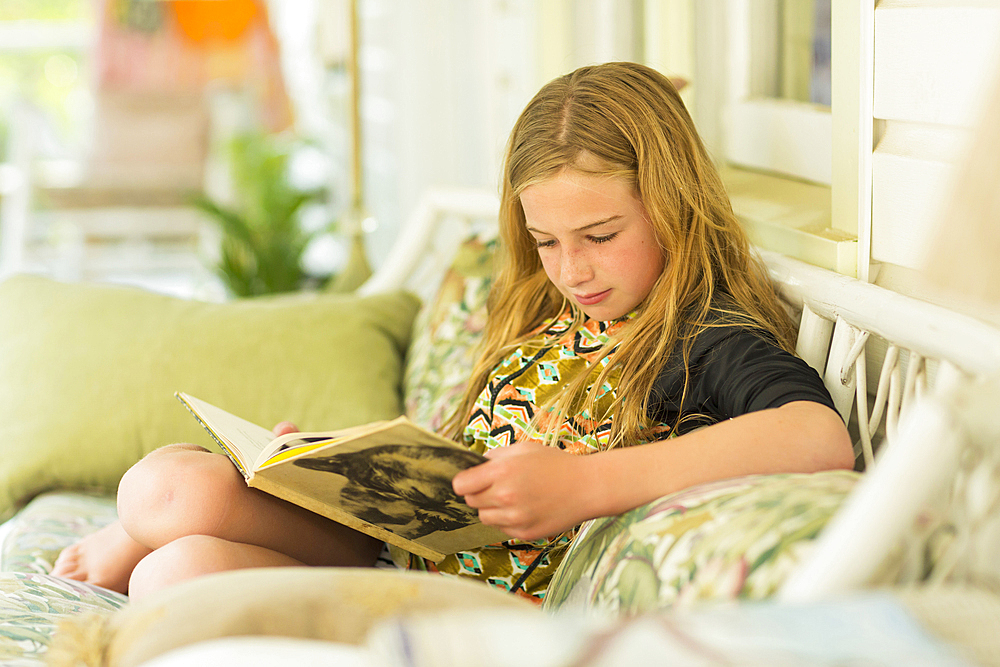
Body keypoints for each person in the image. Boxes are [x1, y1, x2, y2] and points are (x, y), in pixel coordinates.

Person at [53, 61, 853, 602]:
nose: (571, 268)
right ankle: (167, 515)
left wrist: (583, 487)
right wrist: (327, 461)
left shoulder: (701, 333)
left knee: (175, 573)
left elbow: (818, 439)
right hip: (400, 531)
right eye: (546, 242)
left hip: (467, 592)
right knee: (168, 481)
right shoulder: (554, 310)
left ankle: (146, 540)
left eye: (600, 235)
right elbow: (465, 448)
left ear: (673, 201)